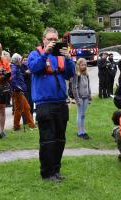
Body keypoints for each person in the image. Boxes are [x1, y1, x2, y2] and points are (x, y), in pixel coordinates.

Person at [27, 27, 75, 182]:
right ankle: (46, 173)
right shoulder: (35, 54)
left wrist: (68, 58)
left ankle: (56, 170)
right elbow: (34, 68)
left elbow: (70, 73)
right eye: (50, 39)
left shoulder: (61, 54)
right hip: (44, 103)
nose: (53, 42)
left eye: (55, 39)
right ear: (43, 40)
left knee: (60, 139)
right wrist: (46, 53)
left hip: (61, 102)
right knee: (47, 140)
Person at [10, 53, 36, 131]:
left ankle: (18, 126)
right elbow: (13, 79)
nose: (21, 61)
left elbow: (17, 77)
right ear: (17, 60)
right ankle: (30, 125)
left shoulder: (16, 68)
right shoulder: (15, 68)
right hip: (18, 91)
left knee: (22, 108)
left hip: (18, 91)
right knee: (23, 108)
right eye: (20, 60)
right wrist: (19, 88)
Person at [72, 58, 92, 140]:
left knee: (83, 115)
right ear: (78, 65)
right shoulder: (77, 75)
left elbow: (88, 85)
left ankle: (83, 131)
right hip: (80, 97)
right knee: (79, 114)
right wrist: (77, 98)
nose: (84, 66)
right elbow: (74, 88)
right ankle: (79, 132)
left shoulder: (86, 74)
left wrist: (89, 95)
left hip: (86, 97)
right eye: (82, 65)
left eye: (85, 65)